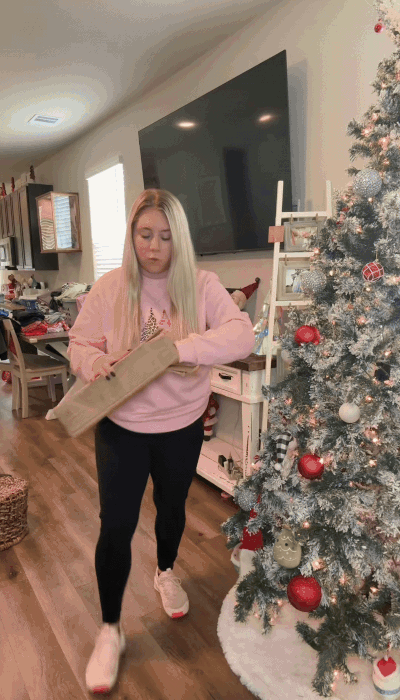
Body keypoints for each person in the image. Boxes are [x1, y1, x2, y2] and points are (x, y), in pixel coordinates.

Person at [67, 188, 255, 695]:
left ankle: (165, 571)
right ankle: (110, 629)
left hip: (181, 426)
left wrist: (181, 348)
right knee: (116, 525)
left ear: (181, 239)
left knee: (172, 508)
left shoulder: (202, 284)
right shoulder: (110, 288)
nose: (154, 247)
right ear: (132, 235)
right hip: (122, 428)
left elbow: (243, 335)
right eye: (145, 234)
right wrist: (94, 361)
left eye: (166, 237)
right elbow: (79, 343)